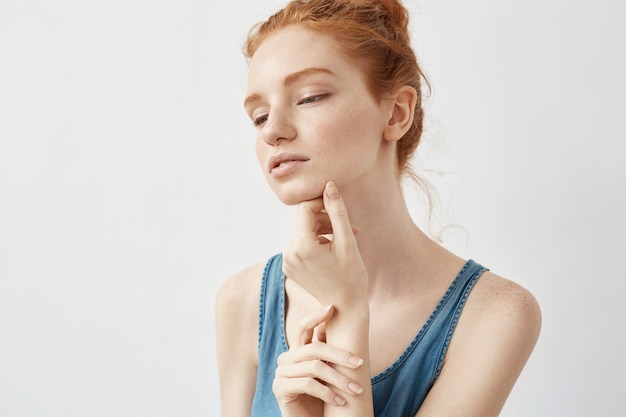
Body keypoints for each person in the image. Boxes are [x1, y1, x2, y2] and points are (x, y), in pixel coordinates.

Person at [215, 0, 542, 416]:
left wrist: (348, 316)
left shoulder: (495, 314)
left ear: (396, 111)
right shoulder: (242, 302)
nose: (274, 131)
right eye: (259, 117)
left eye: (310, 97)